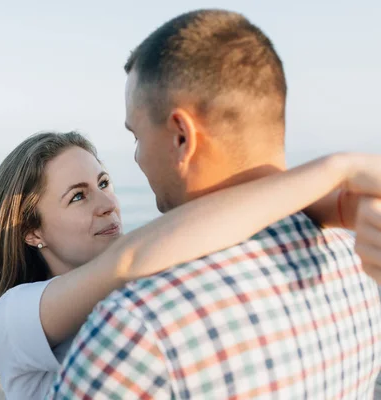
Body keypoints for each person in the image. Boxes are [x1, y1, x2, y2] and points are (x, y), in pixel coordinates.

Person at [47, 10, 381, 399]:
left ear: (181, 137)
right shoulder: (359, 261)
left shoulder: (140, 324)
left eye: (137, 135)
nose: (137, 158)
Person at [0, 131, 381, 399]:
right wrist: (337, 170)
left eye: (104, 183)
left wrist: (339, 208)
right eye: (78, 196)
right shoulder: (9, 317)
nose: (106, 204)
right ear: (31, 232)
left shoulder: (139, 262)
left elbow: (209, 225)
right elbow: (135, 256)